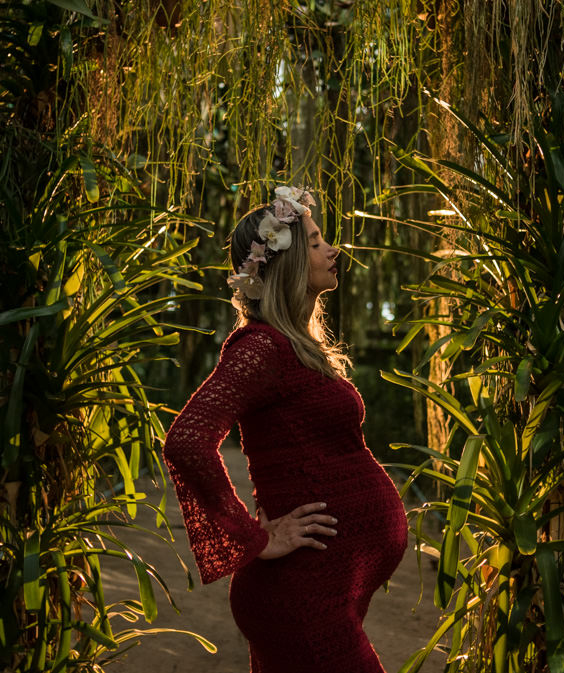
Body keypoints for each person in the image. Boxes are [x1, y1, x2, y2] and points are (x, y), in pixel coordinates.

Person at [162, 185, 409, 673]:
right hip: (301, 596)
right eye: (316, 242)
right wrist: (253, 538)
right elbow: (188, 440)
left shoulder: (294, 346)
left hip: (326, 591)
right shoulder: (259, 347)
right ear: (291, 261)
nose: (332, 250)